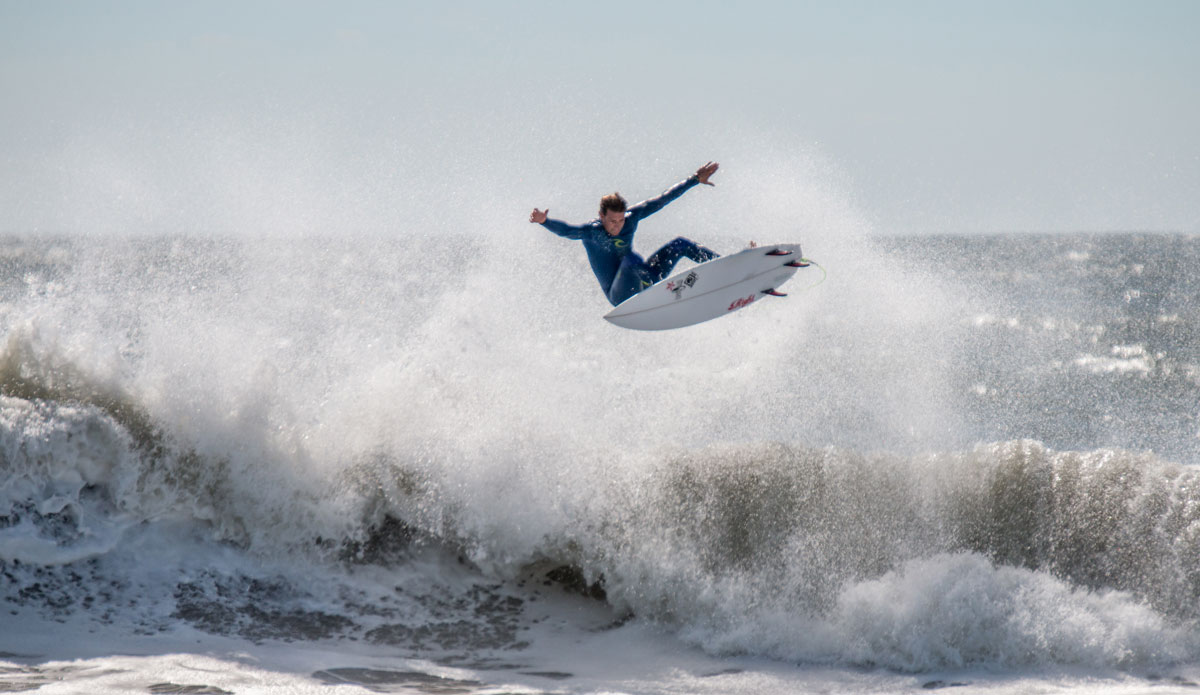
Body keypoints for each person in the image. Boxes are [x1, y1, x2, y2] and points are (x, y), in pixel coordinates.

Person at [530, 162, 722, 306]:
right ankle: (651, 291)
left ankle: (725, 266)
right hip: (620, 296)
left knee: (680, 244)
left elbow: (662, 200)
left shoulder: (631, 218)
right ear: (601, 216)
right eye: (612, 221)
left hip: (644, 279)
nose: (618, 226)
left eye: (621, 220)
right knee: (630, 259)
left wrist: (694, 180)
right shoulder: (592, 232)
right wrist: (545, 221)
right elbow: (567, 231)